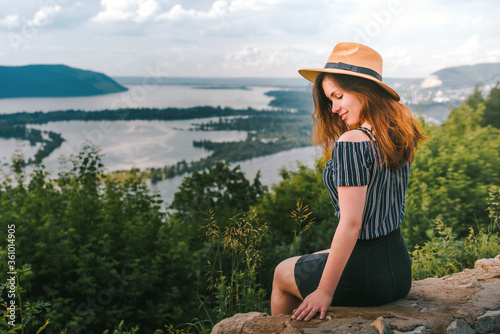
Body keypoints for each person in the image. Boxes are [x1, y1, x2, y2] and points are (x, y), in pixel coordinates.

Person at [270, 42, 426, 321]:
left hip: (365, 277)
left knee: (282, 271)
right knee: (321, 253)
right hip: (398, 270)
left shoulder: (352, 142)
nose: (333, 108)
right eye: (330, 100)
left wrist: (324, 291)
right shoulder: (399, 134)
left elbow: (352, 224)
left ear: (363, 90)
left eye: (338, 96)